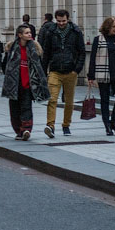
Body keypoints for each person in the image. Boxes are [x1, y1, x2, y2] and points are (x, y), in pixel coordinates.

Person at [38, 9, 86, 138]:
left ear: (68, 19)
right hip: (55, 70)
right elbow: (46, 52)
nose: (61, 23)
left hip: (71, 71)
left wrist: (77, 69)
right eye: (58, 21)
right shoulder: (50, 32)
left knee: (69, 102)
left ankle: (66, 125)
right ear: (55, 19)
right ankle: (50, 126)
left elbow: (82, 51)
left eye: (63, 21)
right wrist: (44, 71)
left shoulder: (75, 32)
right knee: (52, 99)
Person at [1, 24, 49, 140]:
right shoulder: (12, 48)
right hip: (14, 84)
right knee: (14, 109)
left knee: (26, 107)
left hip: (28, 84)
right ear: (20, 35)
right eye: (27, 33)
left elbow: (39, 66)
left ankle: (26, 129)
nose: (29, 35)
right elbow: (5, 65)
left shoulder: (35, 48)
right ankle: (18, 131)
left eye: (30, 33)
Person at [87, 17, 115, 136]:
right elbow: (93, 58)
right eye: (113, 26)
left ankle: (114, 122)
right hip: (103, 73)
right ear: (107, 27)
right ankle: (107, 125)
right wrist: (91, 76)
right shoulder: (98, 39)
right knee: (104, 100)